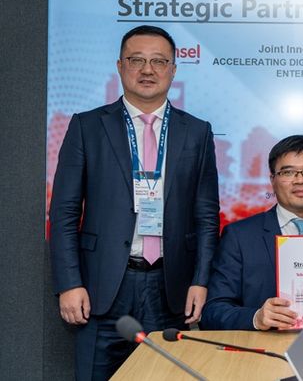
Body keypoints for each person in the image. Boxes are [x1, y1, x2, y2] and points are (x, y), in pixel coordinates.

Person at [49, 25, 220, 380]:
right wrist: (69, 283)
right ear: (120, 65)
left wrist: (201, 281)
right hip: (103, 287)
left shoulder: (197, 132)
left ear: (173, 69)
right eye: (136, 60)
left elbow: (206, 216)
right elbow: (64, 212)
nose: (147, 70)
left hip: (171, 287)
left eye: (159, 61)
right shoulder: (87, 126)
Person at [201, 134, 303, 335]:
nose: (300, 180)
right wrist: (256, 317)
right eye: (288, 172)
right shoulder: (239, 236)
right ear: (272, 180)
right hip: (266, 349)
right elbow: (213, 312)